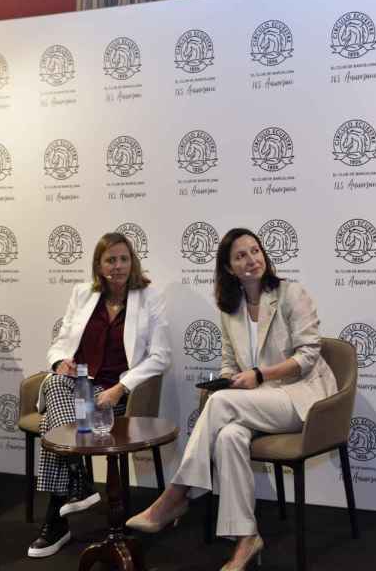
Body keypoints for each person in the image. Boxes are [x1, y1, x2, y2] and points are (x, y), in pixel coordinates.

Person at [126, 228, 337, 571]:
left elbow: (309, 355)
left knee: (221, 405)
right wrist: (226, 381)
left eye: (255, 251)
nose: (251, 259)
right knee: (228, 436)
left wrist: (259, 375)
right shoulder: (230, 309)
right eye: (240, 256)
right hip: (259, 402)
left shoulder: (290, 294)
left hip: (302, 398)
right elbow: (228, 362)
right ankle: (246, 540)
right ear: (228, 268)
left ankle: (176, 494)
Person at [29, 232, 171, 558]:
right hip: (79, 383)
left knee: (54, 418)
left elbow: (161, 356)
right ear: (99, 264)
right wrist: (57, 361)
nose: (118, 266)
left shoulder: (149, 296)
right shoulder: (82, 293)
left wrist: (121, 387)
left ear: (131, 261)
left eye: (123, 259)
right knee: (53, 383)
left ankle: (57, 519)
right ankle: (78, 475)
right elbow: (62, 340)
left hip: (116, 389)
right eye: (110, 260)